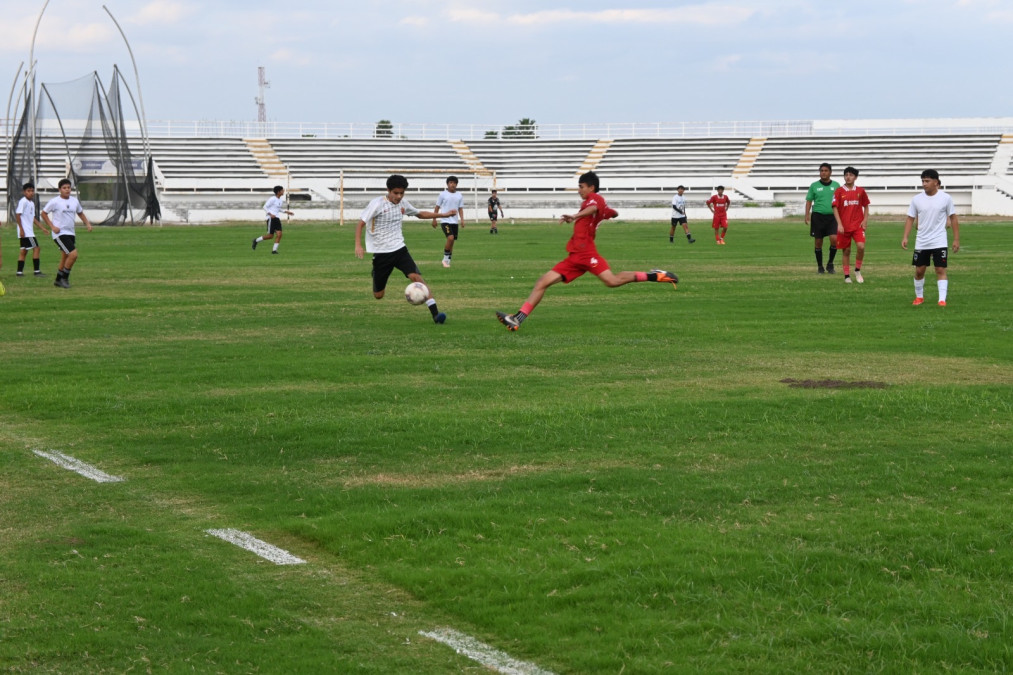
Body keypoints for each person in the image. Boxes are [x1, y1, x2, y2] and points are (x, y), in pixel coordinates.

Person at [495, 171, 678, 332]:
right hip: (575, 256)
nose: (579, 190)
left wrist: (577, 215)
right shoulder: (594, 204)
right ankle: (517, 319)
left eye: (581, 187)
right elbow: (613, 213)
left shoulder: (595, 199)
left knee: (612, 281)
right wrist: (606, 213)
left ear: (591, 187)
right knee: (543, 282)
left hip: (587, 254)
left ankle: (655, 276)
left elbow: (595, 208)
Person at [355, 174, 458, 324]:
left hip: (399, 249)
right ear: (388, 190)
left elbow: (420, 214)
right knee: (378, 295)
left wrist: (443, 214)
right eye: (396, 193)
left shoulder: (403, 204)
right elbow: (361, 223)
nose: (398, 196)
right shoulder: (377, 204)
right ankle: (376, 272)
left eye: (401, 193)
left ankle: (436, 315)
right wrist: (358, 245)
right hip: (382, 253)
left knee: (417, 278)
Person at [902, 169, 960, 306]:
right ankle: (919, 297)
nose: (924, 184)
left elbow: (953, 218)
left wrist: (956, 239)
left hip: (939, 240)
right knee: (919, 271)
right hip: (922, 241)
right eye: (923, 181)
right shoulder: (916, 199)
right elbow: (910, 218)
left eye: (927, 181)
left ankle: (941, 300)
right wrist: (905, 237)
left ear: (936, 182)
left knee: (940, 269)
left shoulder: (946, 198)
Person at [40, 178, 92, 288]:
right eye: (64, 188)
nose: (67, 190)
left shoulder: (74, 201)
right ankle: (65, 278)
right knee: (73, 255)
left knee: (65, 257)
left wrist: (87, 223)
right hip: (60, 234)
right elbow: (43, 213)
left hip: (70, 233)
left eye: (68, 188)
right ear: (59, 190)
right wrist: (52, 226)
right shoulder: (55, 201)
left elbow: (80, 213)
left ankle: (58, 280)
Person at [832, 167, 870, 284]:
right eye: (846, 174)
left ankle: (857, 270)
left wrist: (865, 220)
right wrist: (839, 224)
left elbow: (866, 205)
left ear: (856, 177)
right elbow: (835, 207)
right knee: (846, 251)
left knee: (861, 247)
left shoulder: (860, 191)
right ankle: (847, 276)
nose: (848, 177)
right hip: (844, 227)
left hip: (857, 225)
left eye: (851, 175)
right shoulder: (839, 191)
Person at [805, 163, 840, 273]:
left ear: (830, 172)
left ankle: (830, 264)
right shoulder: (814, 185)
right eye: (822, 170)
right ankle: (820, 267)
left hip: (832, 217)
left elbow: (840, 201)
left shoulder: (836, 185)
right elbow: (809, 201)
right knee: (818, 242)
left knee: (834, 239)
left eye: (826, 170)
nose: (823, 172)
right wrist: (807, 215)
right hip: (818, 217)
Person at [15, 182, 49, 277]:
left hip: (28, 231)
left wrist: (43, 228)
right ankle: (37, 271)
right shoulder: (23, 201)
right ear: (24, 192)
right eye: (28, 191)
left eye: (32, 191)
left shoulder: (31, 203)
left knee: (24, 251)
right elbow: (18, 214)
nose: (31, 193)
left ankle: (19, 272)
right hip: (26, 232)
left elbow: (33, 218)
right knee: (36, 248)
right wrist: (21, 229)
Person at [433, 175, 465, 267]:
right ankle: (444, 259)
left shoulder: (459, 195)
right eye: (451, 183)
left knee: (452, 241)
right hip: (445, 220)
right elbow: (437, 207)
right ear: (447, 184)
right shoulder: (442, 194)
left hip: (454, 222)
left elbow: (460, 208)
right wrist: (434, 219)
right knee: (450, 238)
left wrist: (462, 220)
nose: (452, 184)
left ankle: (448, 261)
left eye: (454, 183)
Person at [252, 185, 293, 254]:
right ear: (278, 192)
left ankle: (274, 250)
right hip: (271, 218)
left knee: (279, 234)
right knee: (270, 236)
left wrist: (286, 212)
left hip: (277, 218)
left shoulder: (280, 200)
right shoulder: (272, 199)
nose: (283, 191)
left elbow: (278, 209)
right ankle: (256, 240)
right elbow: (265, 207)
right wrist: (270, 214)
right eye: (282, 190)